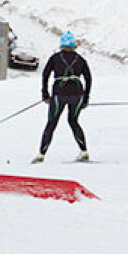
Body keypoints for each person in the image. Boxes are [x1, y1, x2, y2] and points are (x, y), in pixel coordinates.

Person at [33, 31, 92, 163]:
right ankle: (84, 151)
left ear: (61, 46)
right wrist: (86, 97)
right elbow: (88, 78)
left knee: (51, 123)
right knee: (73, 121)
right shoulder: (80, 59)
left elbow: (45, 74)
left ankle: (41, 155)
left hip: (59, 94)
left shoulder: (55, 58)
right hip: (77, 94)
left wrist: (45, 93)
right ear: (73, 46)